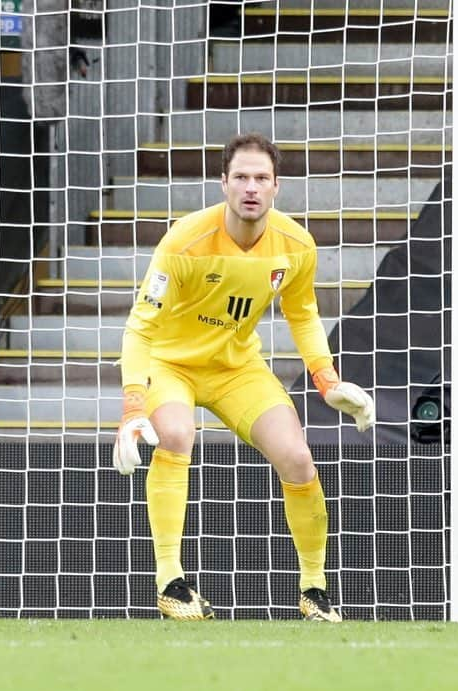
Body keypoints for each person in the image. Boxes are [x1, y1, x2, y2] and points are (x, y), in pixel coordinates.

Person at [114, 132, 374, 622]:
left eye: (261, 178)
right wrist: (131, 407)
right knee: (174, 434)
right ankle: (171, 582)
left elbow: (303, 314)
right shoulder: (185, 240)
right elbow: (140, 325)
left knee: (298, 458)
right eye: (241, 177)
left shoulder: (295, 245)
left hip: (238, 369)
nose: (250, 187)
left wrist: (326, 378)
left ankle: (314, 591)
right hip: (173, 365)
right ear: (223, 184)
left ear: (277, 187)